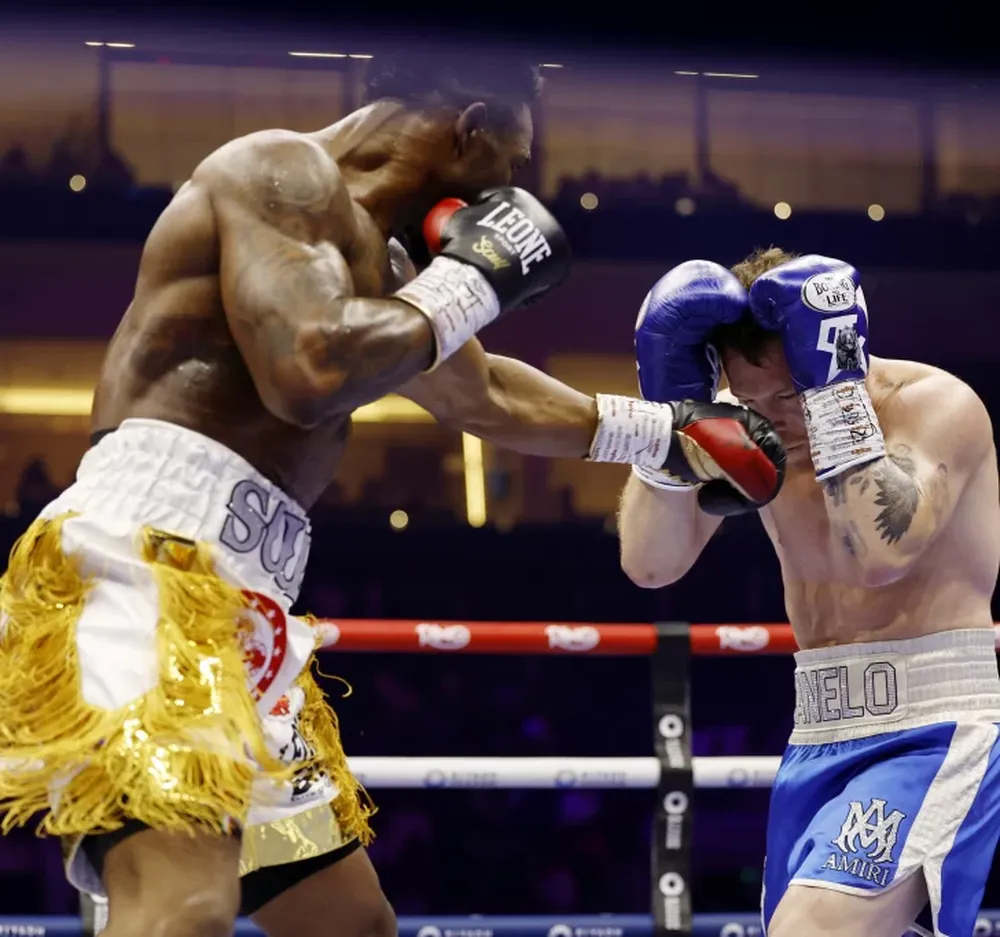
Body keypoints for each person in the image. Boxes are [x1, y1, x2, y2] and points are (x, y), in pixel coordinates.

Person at [0, 55, 785, 937]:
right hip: (142, 561)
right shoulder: (278, 172)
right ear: (472, 127)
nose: (513, 191)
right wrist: (473, 277)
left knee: (350, 923)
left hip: (245, 605)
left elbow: (483, 397)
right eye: (514, 162)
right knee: (181, 906)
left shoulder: (390, 262)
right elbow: (309, 366)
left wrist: (669, 433)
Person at [618, 247, 1000, 937]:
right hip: (819, 729)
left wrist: (832, 395)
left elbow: (879, 556)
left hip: (934, 723)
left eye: (789, 395)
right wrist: (675, 416)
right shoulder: (756, 431)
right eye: (750, 399)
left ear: (833, 357)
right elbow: (651, 563)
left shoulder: (934, 406)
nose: (771, 420)